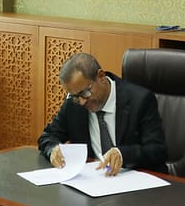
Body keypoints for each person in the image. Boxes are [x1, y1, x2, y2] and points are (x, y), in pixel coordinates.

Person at [38, 53, 167, 175]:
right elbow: (48, 136)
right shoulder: (73, 104)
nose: (82, 101)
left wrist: (122, 154)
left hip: (135, 179)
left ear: (101, 77)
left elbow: (157, 150)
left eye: (85, 93)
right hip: (94, 179)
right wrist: (52, 150)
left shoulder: (140, 100)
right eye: (75, 96)